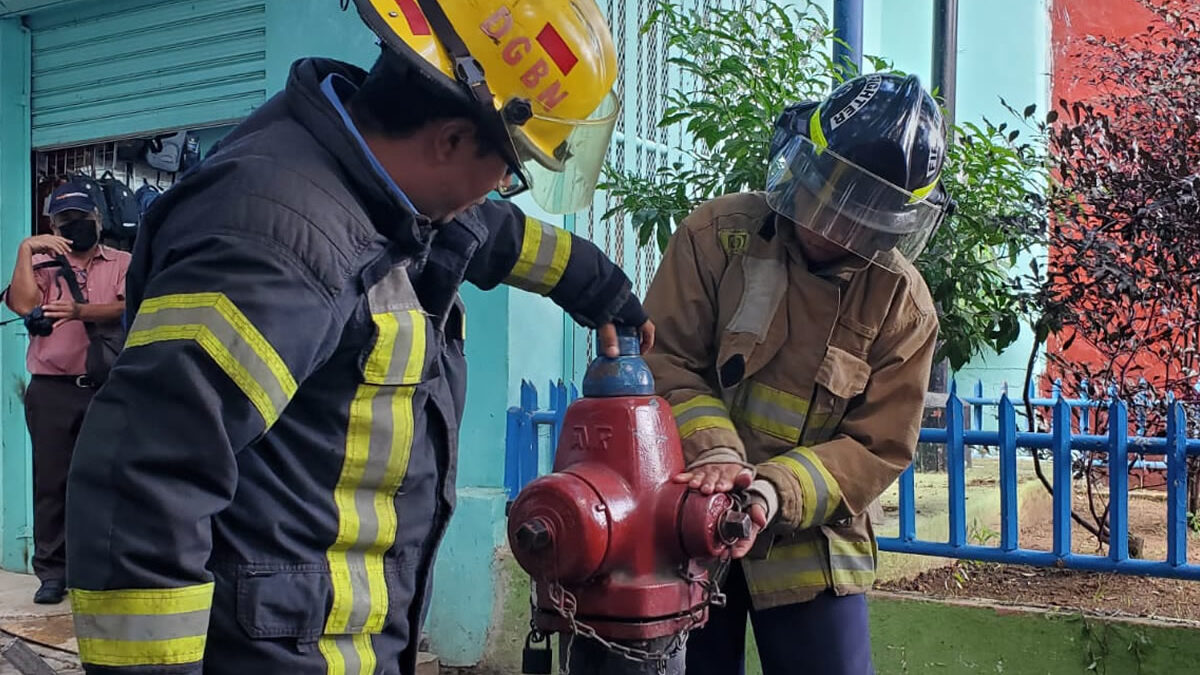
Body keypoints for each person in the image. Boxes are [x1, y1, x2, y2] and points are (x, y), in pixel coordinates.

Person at [64, 2, 652, 673]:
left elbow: (488, 235)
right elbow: (142, 479)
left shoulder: (381, 191)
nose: (499, 189)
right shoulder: (274, 242)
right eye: (510, 165)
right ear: (452, 140)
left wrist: (598, 287)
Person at [643, 73, 951, 674]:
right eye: (829, 200)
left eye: (862, 217)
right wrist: (716, 456)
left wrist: (768, 491)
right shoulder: (718, 237)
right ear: (802, 168)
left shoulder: (901, 304)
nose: (835, 227)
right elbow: (664, 361)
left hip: (814, 548)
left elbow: (876, 446)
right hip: (687, 525)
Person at [2, 182, 129, 605]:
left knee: (106, 483)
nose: (75, 227)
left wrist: (78, 311)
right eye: (65, 221)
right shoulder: (39, 266)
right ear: (52, 226)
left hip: (106, 390)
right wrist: (26, 250)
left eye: (82, 218)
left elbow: (131, 306)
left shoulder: (122, 262)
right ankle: (52, 574)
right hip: (51, 392)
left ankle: (100, 570)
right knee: (52, 484)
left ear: (98, 218)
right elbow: (21, 305)